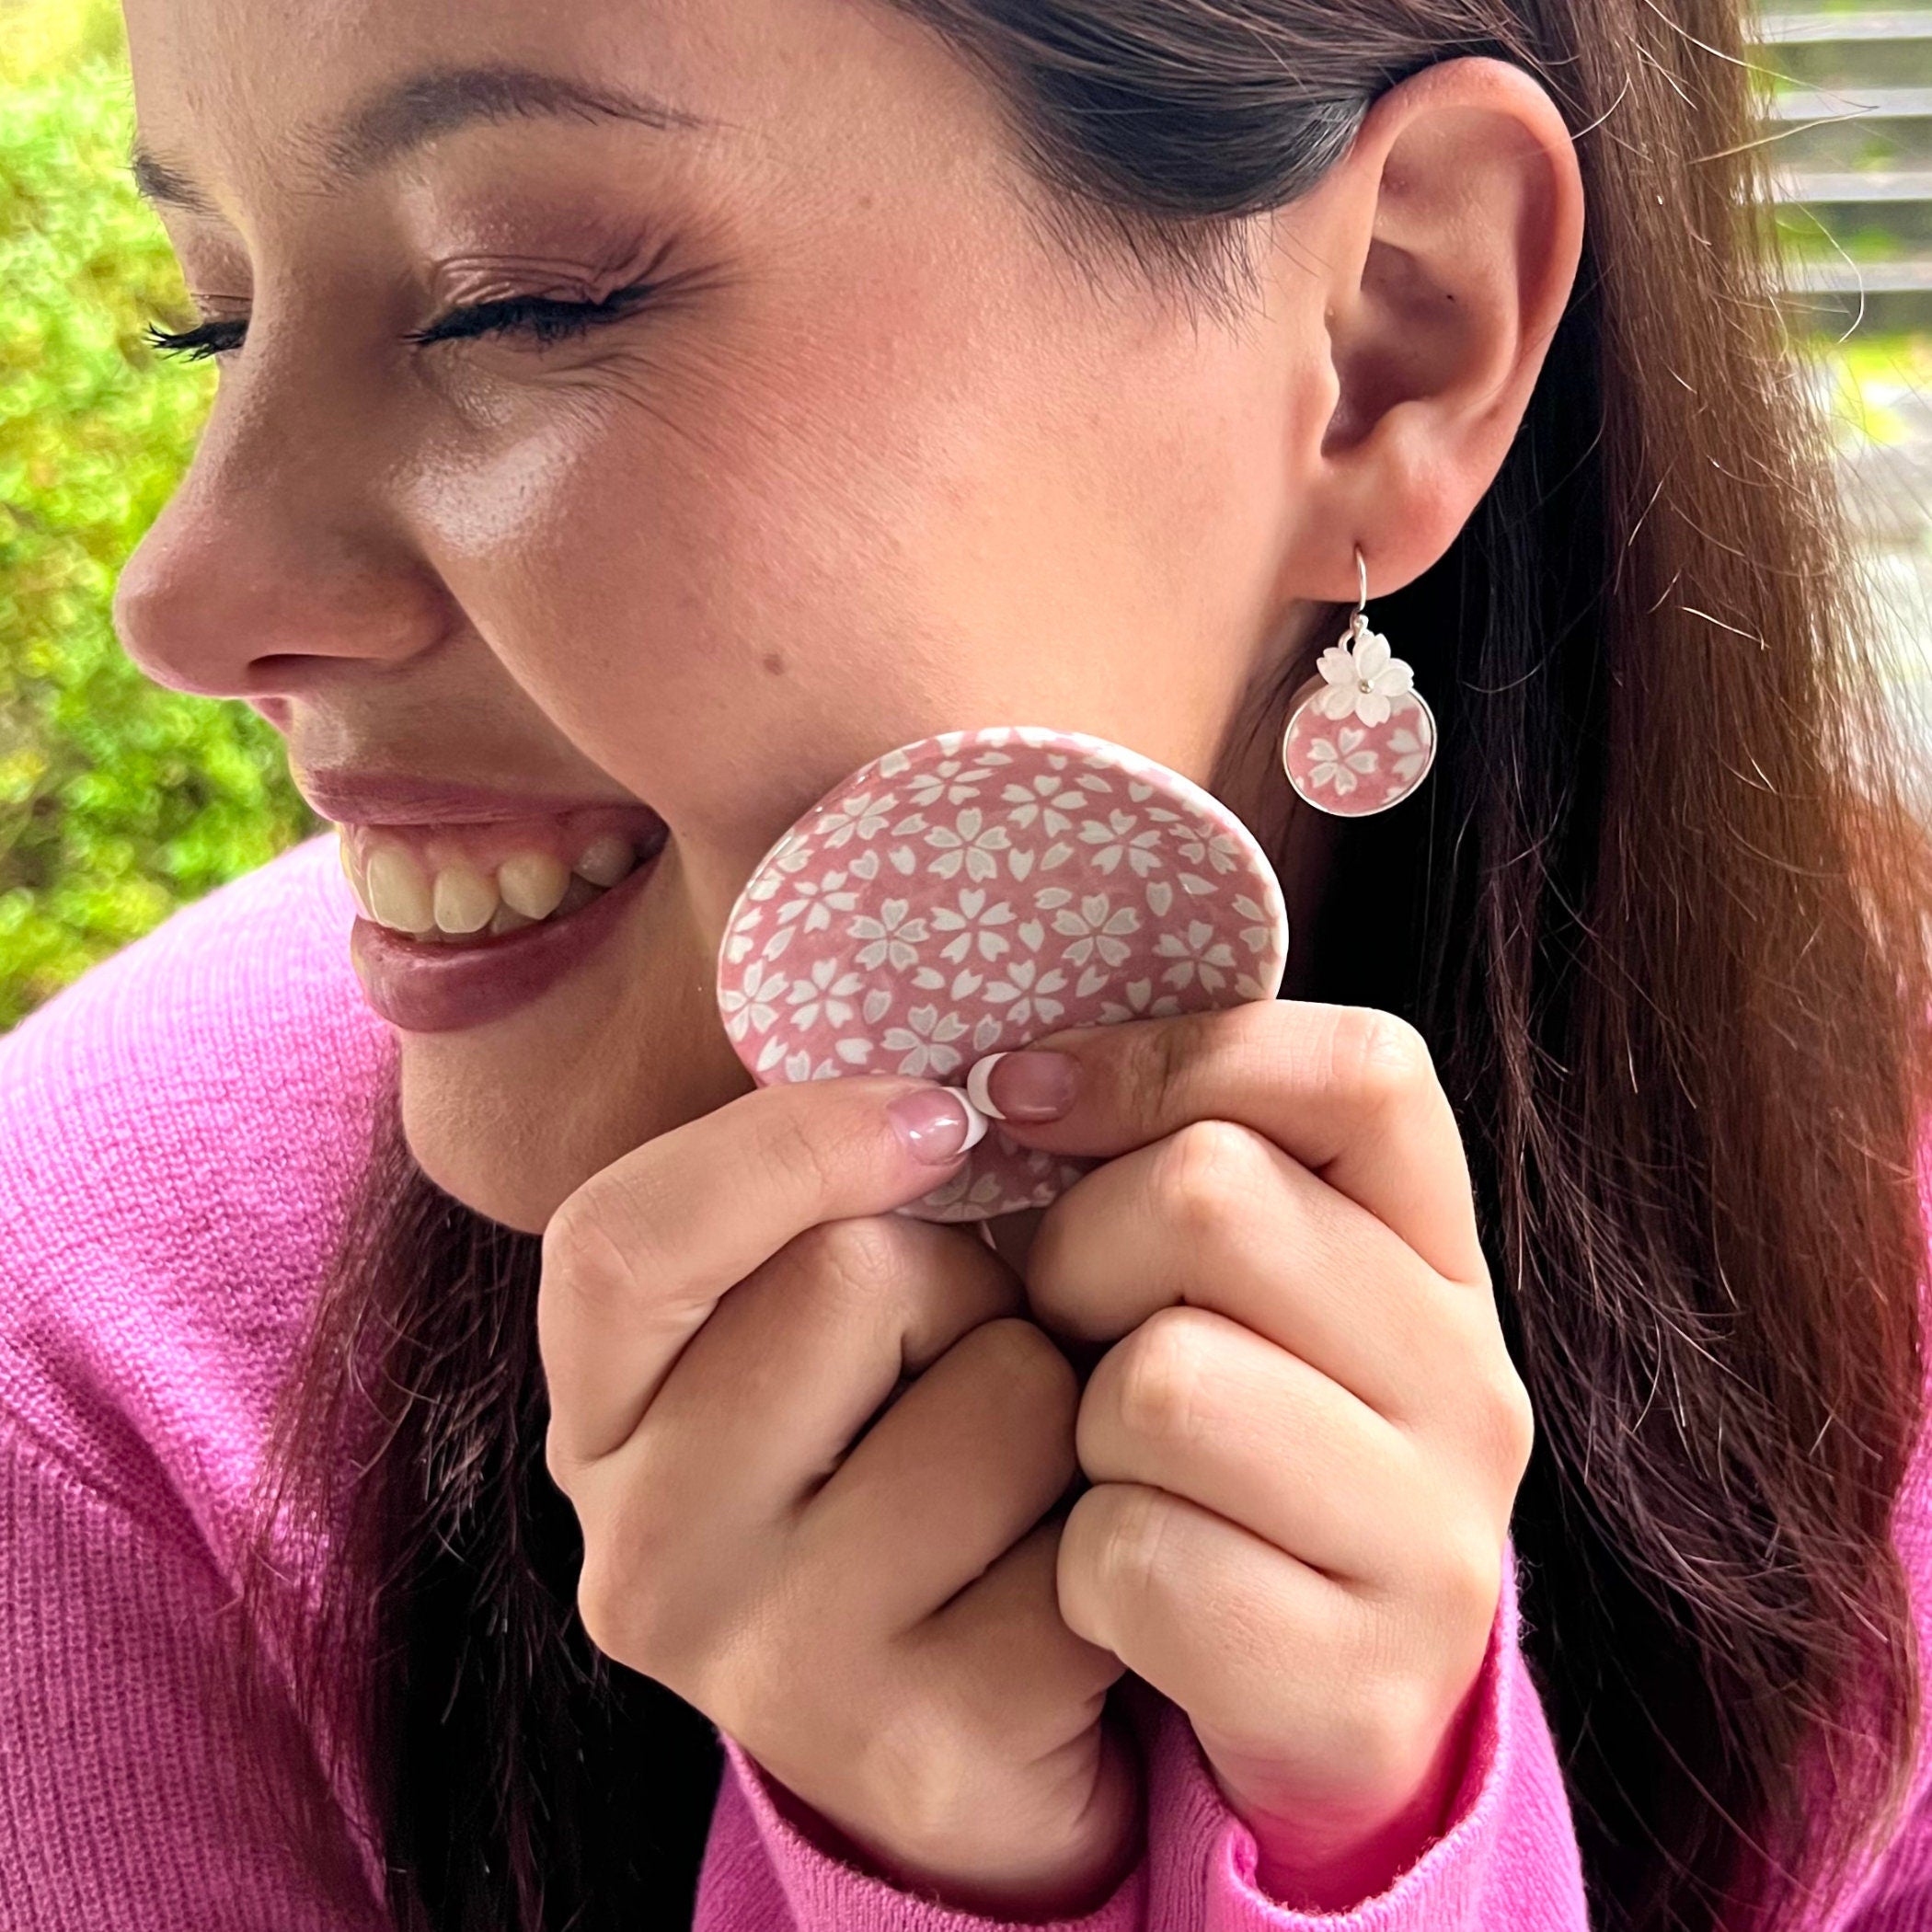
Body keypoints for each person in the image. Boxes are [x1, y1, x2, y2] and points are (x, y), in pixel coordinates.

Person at [4, 0, 1930, 1926]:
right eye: (218, 319)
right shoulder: (80, 1376)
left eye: (516, 302)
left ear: (1385, 342)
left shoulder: (1894, 1267)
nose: (186, 595)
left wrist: (1387, 1840)